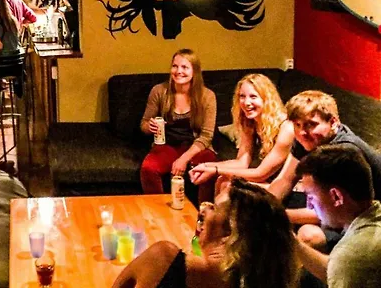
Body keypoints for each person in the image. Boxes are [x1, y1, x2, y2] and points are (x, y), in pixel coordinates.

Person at [113, 178, 297, 288]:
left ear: (231, 233)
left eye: (214, 207)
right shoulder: (263, 278)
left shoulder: (163, 259)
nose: (203, 208)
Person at [267, 90, 381, 252]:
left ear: (333, 122)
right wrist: (264, 206)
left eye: (311, 124)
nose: (302, 132)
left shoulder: (343, 152)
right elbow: (285, 180)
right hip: (329, 207)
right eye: (297, 125)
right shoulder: (307, 140)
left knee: (309, 235)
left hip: (363, 220)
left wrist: (274, 215)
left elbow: (331, 210)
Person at [189, 73, 294, 194]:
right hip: (264, 180)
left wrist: (215, 170)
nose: (246, 102)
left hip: (280, 186)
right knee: (223, 180)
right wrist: (206, 167)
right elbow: (241, 163)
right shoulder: (250, 123)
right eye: (242, 96)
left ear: (267, 99)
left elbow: (261, 173)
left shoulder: (286, 128)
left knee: (228, 185)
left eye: (253, 97)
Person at [295, 145, 381, 288]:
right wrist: (292, 242)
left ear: (336, 196)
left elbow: (346, 264)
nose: (309, 206)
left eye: (311, 197)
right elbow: (336, 269)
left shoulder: (353, 254)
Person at [139, 49, 217, 202]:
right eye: (175, 66)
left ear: (194, 71)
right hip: (166, 145)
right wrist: (150, 126)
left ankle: (203, 212)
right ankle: (158, 210)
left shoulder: (207, 96)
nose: (178, 71)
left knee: (208, 169)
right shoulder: (159, 91)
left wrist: (183, 159)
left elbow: (206, 136)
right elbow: (143, 124)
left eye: (184, 67)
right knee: (148, 169)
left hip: (196, 146)